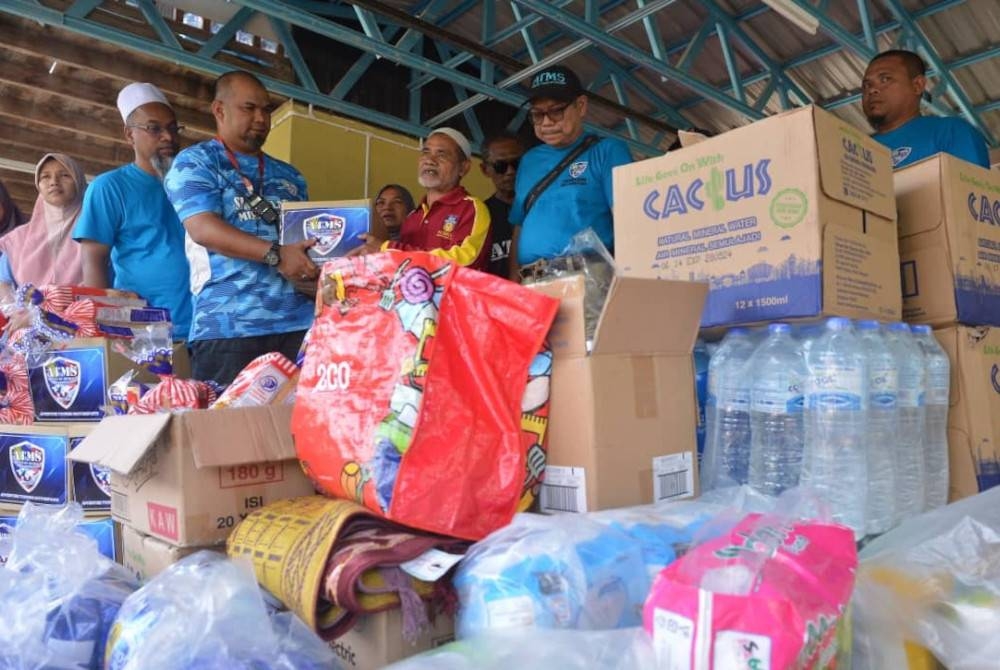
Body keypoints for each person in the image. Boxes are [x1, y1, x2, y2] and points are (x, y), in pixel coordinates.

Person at [164, 70, 317, 386]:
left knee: (295, 431)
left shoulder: (292, 177)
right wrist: (277, 255)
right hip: (227, 327)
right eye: (249, 108)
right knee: (228, 432)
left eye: (266, 109)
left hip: (297, 325)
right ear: (219, 110)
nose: (261, 118)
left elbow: (304, 243)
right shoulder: (196, 162)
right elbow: (203, 229)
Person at [73, 82, 193, 340]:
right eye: (154, 128)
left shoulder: (192, 183)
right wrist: (103, 329)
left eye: (173, 128)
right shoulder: (110, 187)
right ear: (129, 135)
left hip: (205, 325)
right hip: (145, 332)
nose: (168, 137)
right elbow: (93, 261)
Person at [508, 65, 632, 280]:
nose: (546, 122)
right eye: (537, 114)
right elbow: (520, 226)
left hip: (586, 276)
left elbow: (628, 221)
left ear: (581, 106)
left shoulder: (608, 151)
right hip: (532, 279)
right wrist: (512, 284)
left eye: (556, 111)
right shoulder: (529, 161)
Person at [351, 128, 491, 270]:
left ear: (463, 167)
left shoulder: (471, 208)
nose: (430, 160)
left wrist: (388, 249)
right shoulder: (413, 217)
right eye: (426, 152)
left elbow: (465, 261)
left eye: (441, 154)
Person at [862, 49, 990, 169]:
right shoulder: (855, 149)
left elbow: (972, 190)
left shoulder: (950, 132)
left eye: (885, 79)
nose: (872, 90)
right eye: (867, 85)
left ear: (917, 85)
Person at [0, 153, 86, 302]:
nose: (54, 182)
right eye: (45, 177)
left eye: (65, 175)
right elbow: (4, 284)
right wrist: (17, 312)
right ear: (38, 185)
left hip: (79, 320)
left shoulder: (95, 236)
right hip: (24, 321)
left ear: (79, 182)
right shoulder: (18, 238)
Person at [479, 133, 525, 278]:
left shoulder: (542, 208)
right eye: (500, 166)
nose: (510, 172)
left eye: (516, 164)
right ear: (485, 170)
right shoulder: (478, 216)